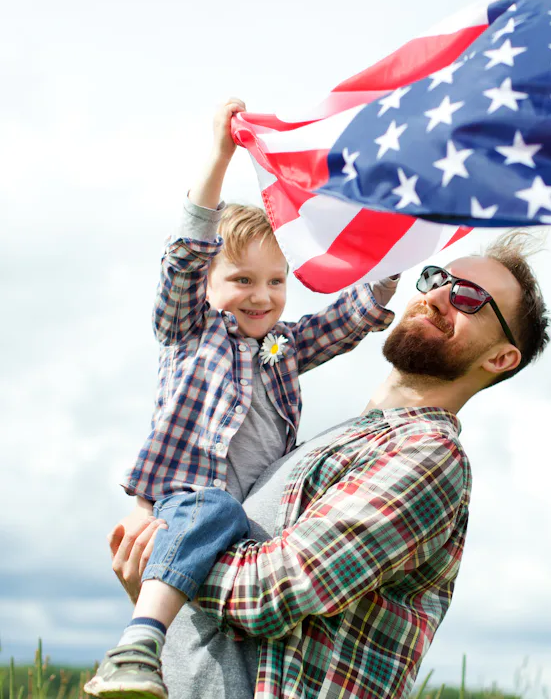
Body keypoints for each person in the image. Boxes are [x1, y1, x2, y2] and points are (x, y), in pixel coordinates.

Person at [109, 235, 551, 699]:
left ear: (500, 358)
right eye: (436, 279)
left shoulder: (429, 454)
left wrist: (166, 553)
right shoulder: (318, 445)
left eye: (469, 298)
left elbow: (273, 589)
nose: (437, 296)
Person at [85, 99, 399, 699]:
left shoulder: (276, 350)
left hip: (248, 525)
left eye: (276, 281)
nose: (262, 297)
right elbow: (186, 252)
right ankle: (136, 645)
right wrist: (218, 156)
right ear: (208, 284)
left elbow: (342, 322)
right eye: (242, 280)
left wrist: (388, 266)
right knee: (213, 512)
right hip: (188, 503)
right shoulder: (191, 332)